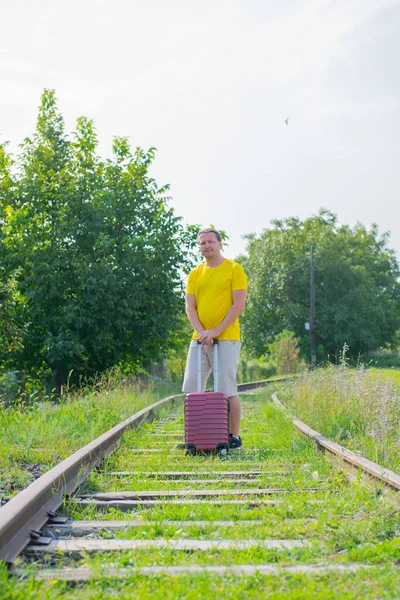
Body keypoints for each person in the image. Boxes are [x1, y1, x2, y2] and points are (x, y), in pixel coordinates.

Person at [182, 227, 247, 449]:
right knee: (192, 387)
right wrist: (202, 332)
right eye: (202, 243)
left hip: (226, 338)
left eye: (210, 242)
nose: (206, 246)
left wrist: (215, 331)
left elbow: (238, 305)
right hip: (199, 339)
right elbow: (190, 307)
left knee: (226, 388)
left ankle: (233, 436)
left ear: (220, 243)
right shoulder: (194, 274)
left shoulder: (234, 269)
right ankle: (196, 437)